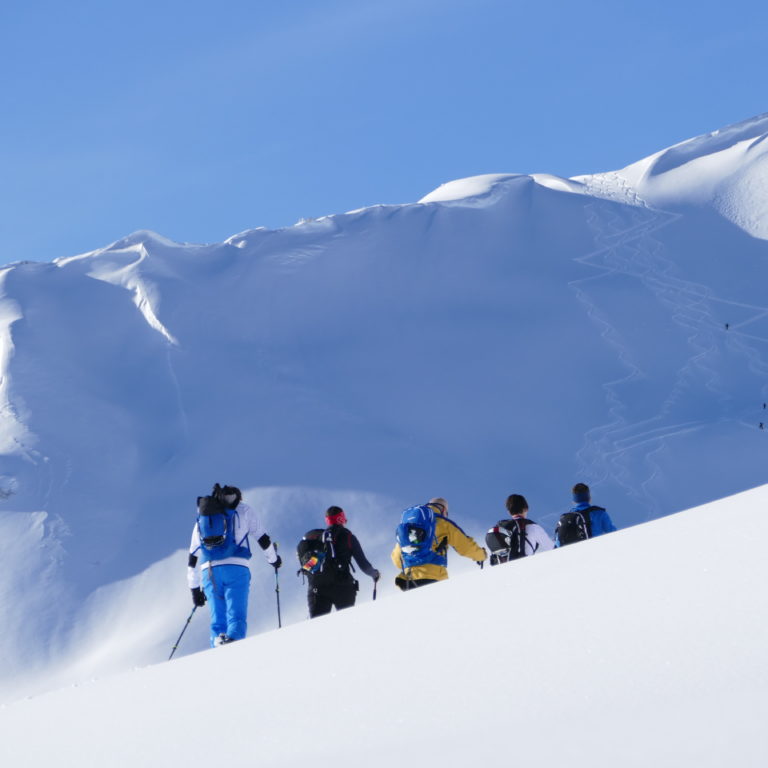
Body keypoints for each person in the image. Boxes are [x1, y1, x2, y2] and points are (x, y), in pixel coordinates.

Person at [188, 483, 281, 647]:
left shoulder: (205, 517)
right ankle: (234, 649)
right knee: (236, 617)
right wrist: (273, 559)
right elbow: (263, 538)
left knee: (217, 620)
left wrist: (195, 589)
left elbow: (193, 556)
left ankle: (216, 651)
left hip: (209, 570)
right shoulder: (244, 510)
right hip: (237, 568)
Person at [297, 506, 380, 618]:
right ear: (341, 518)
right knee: (347, 626)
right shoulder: (349, 537)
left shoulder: (316, 538)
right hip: (343, 588)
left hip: (317, 589)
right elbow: (364, 565)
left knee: (317, 629)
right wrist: (374, 574)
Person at [392, 497, 486, 590]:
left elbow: (397, 559)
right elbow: (465, 547)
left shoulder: (410, 527)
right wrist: (481, 555)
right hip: (434, 578)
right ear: (444, 510)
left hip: (408, 580)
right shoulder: (444, 523)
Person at [486, 494, 553, 564]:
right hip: (524, 567)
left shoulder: (502, 528)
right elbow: (553, 548)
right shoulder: (533, 527)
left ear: (509, 512)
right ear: (526, 509)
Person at [554, 482, 616, 547]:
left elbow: (557, 543)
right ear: (589, 497)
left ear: (574, 500)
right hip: (594, 550)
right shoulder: (599, 513)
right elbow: (613, 533)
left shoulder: (566, 518)